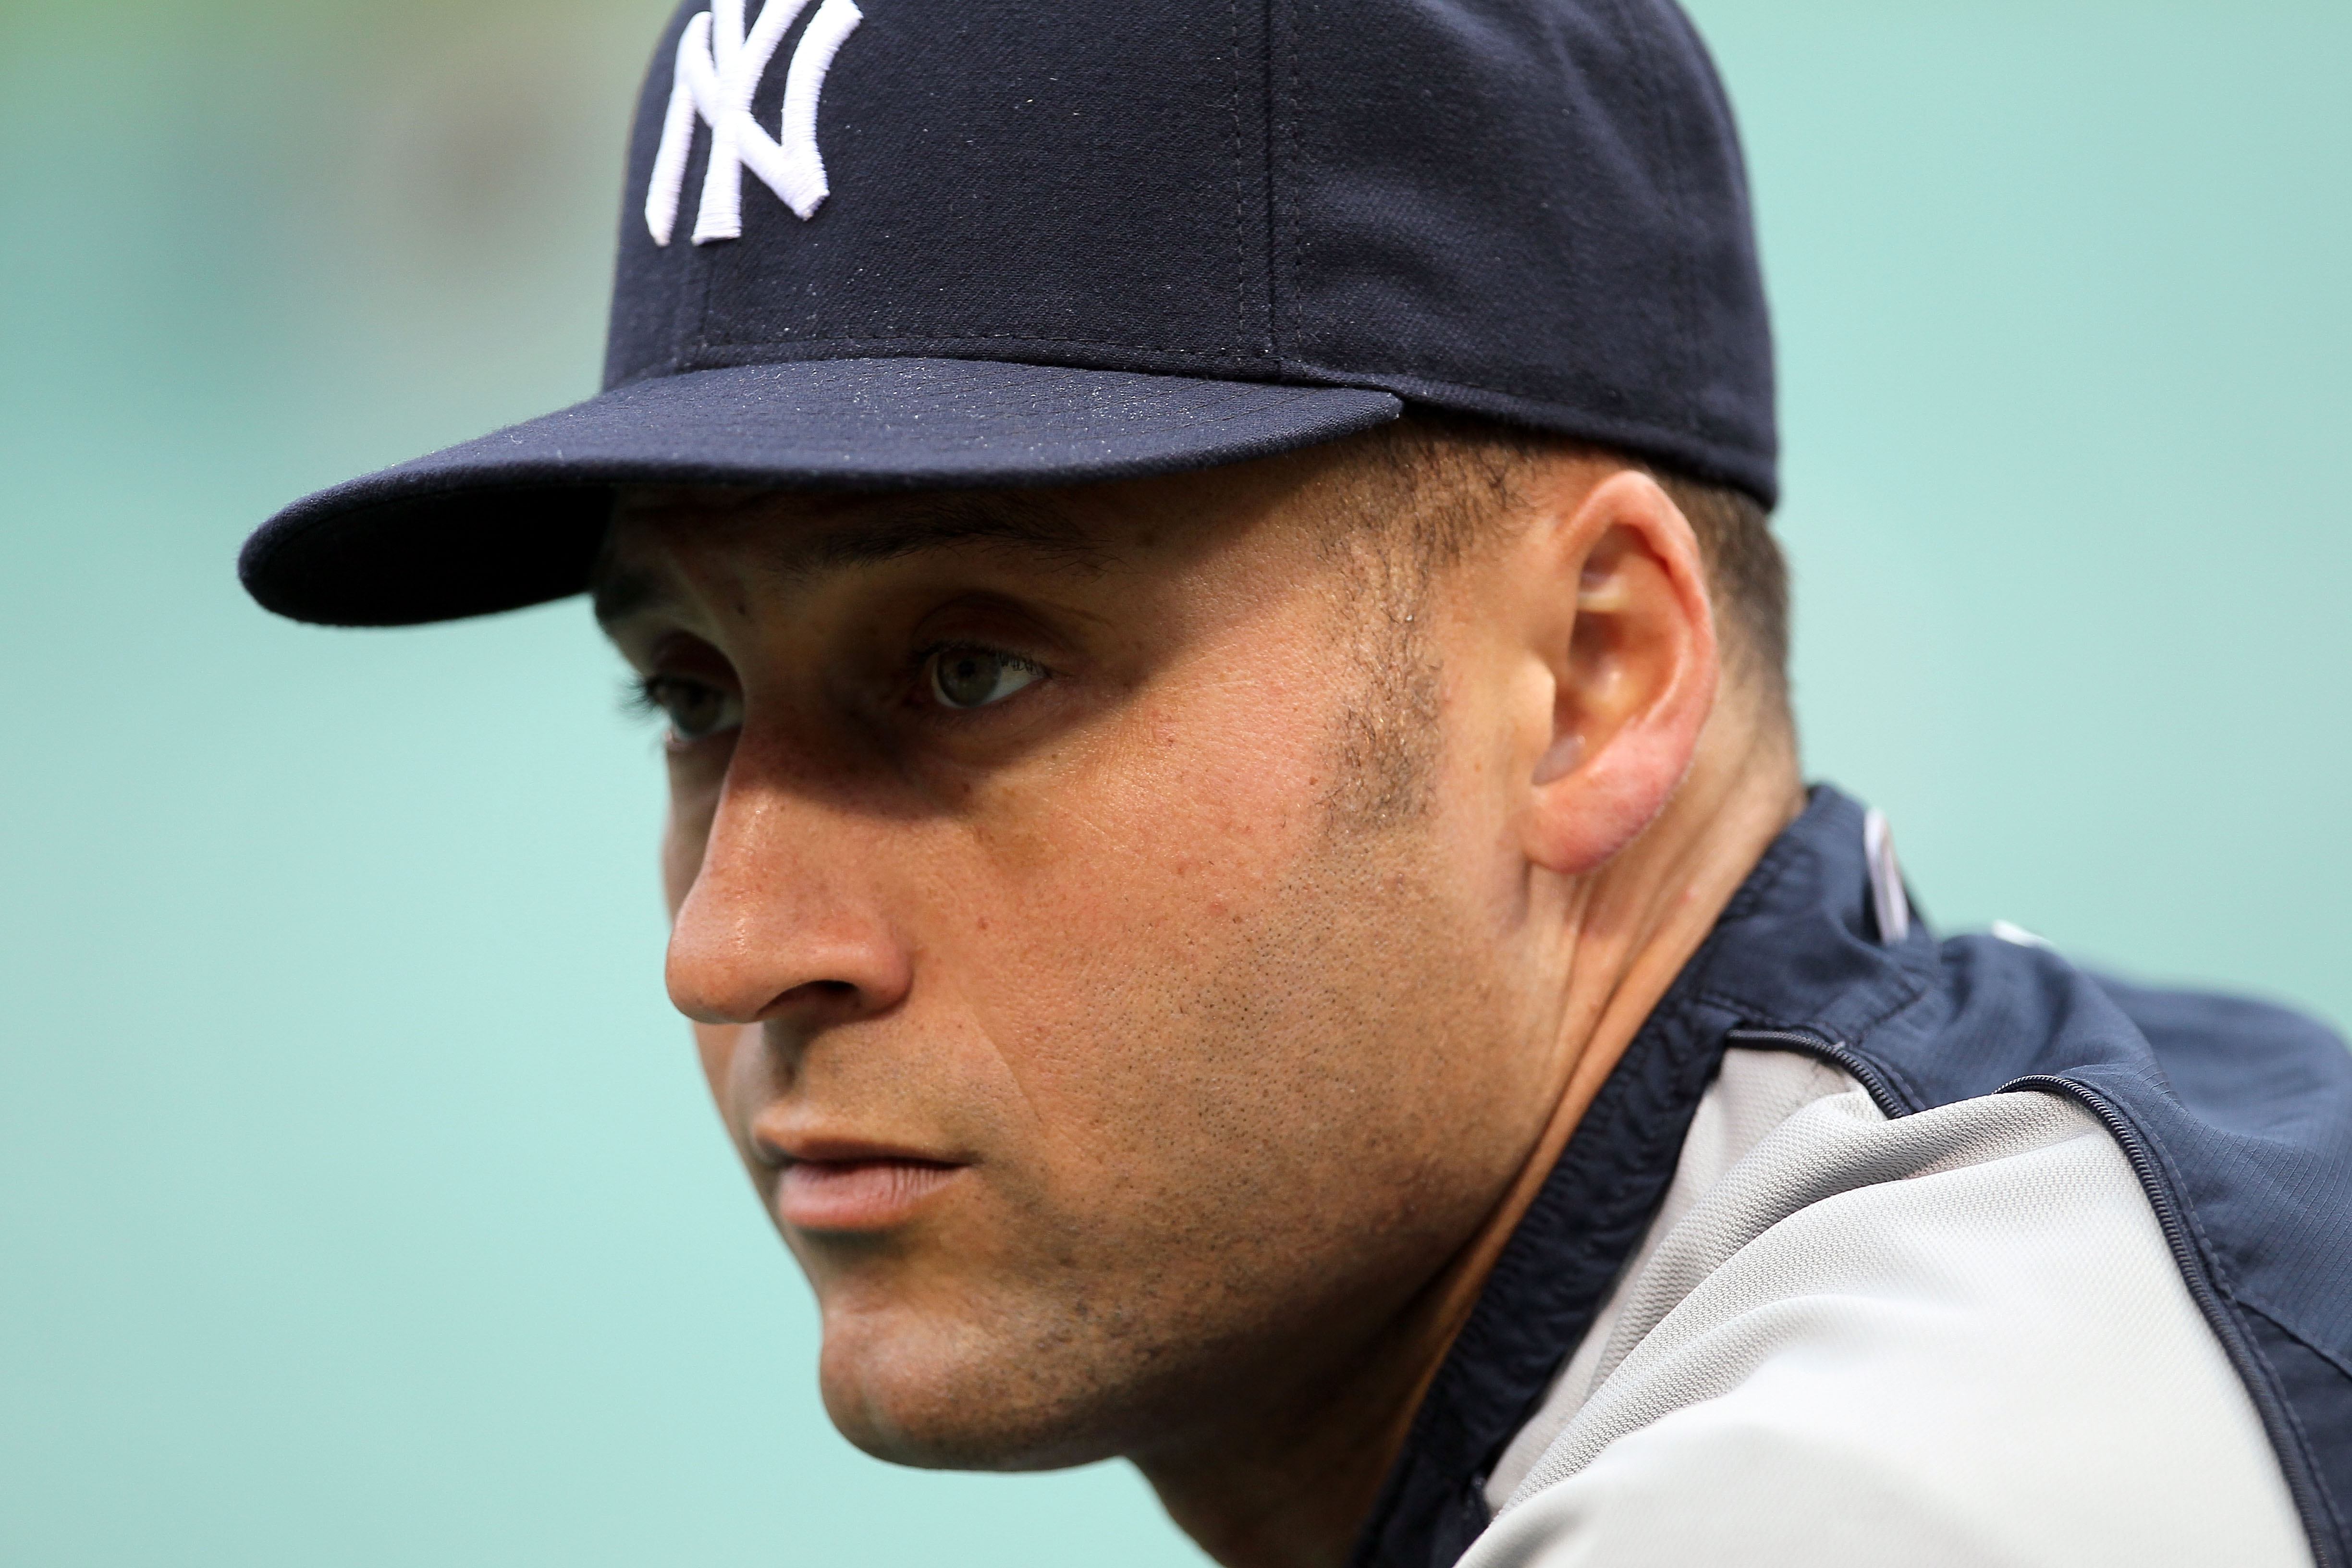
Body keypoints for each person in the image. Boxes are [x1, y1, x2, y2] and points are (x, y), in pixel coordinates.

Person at [238, 2, 2352, 1564]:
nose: (729, 948)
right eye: (688, 697)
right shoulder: (2024, 1192)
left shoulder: (1881, 1480)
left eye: (968, 669)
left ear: (1590, 680)